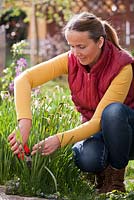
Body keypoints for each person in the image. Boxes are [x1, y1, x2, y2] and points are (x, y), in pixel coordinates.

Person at [8, 11, 134, 193]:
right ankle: (100, 175)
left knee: (113, 112)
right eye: (71, 46)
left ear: (100, 42)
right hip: (96, 131)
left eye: (81, 46)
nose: (76, 53)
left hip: (126, 133)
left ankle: (115, 184)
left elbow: (100, 119)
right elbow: (23, 79)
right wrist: (24, 123)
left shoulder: (122, 66)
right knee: (87, 158)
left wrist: (59, 140)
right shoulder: (71, 59)